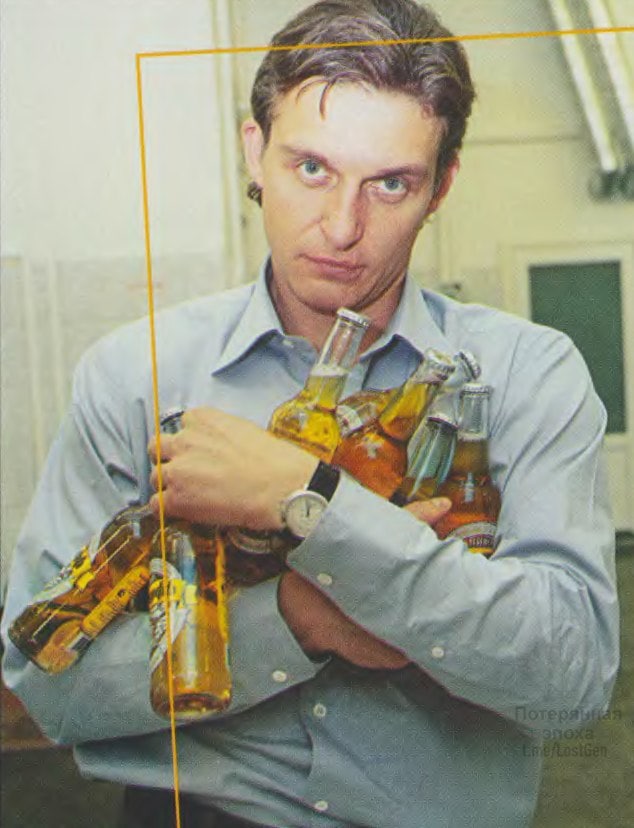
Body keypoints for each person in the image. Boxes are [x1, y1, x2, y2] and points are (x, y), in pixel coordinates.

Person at [1, 1, 619, 827]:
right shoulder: (134, 377)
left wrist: (307, 501)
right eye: (312, 169)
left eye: (390, 183)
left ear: (441, 187)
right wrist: (300, 620)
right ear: (254, 151)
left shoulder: (528, 377)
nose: (341, 227)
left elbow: (569, 686)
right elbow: (47, 687)